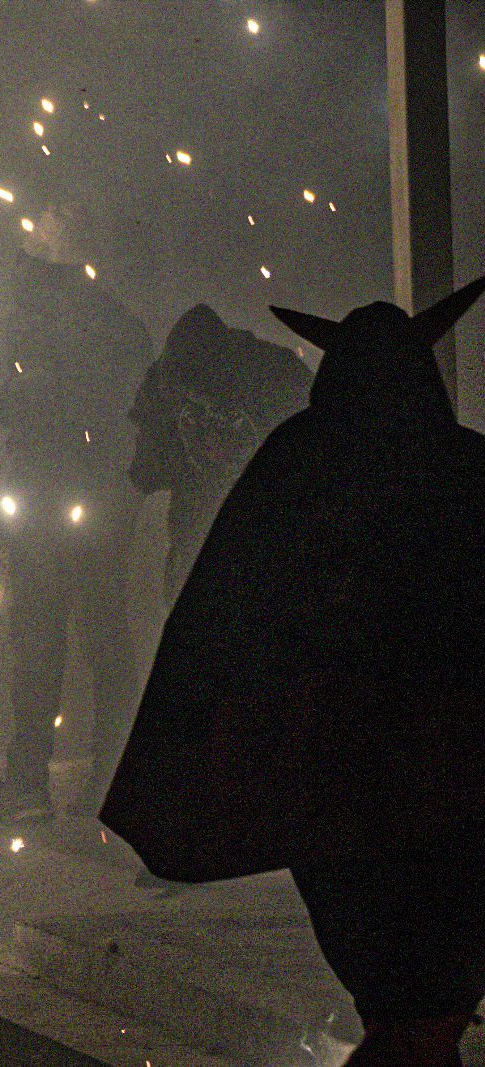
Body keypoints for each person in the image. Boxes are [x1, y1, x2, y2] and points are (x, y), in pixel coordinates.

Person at [101, 279, 485, 1067]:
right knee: (435, 973)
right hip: (451, 776)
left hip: (330, 776)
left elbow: (226, 610)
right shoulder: (465, 467)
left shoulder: (296, 464)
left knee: (390, 972)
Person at [0, 203, 151, 826]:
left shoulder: (58, 323)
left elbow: (57, 410)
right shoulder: (98, 321)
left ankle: (55, 783)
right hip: (77, 502)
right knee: (83, 640)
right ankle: (89, 780)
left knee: (62, 642)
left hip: (68, 501)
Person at [128, 303, 311, 601]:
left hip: (268, 528)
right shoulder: (163, 385)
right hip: (199, 535)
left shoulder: (274, 374)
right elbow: (145, 473)